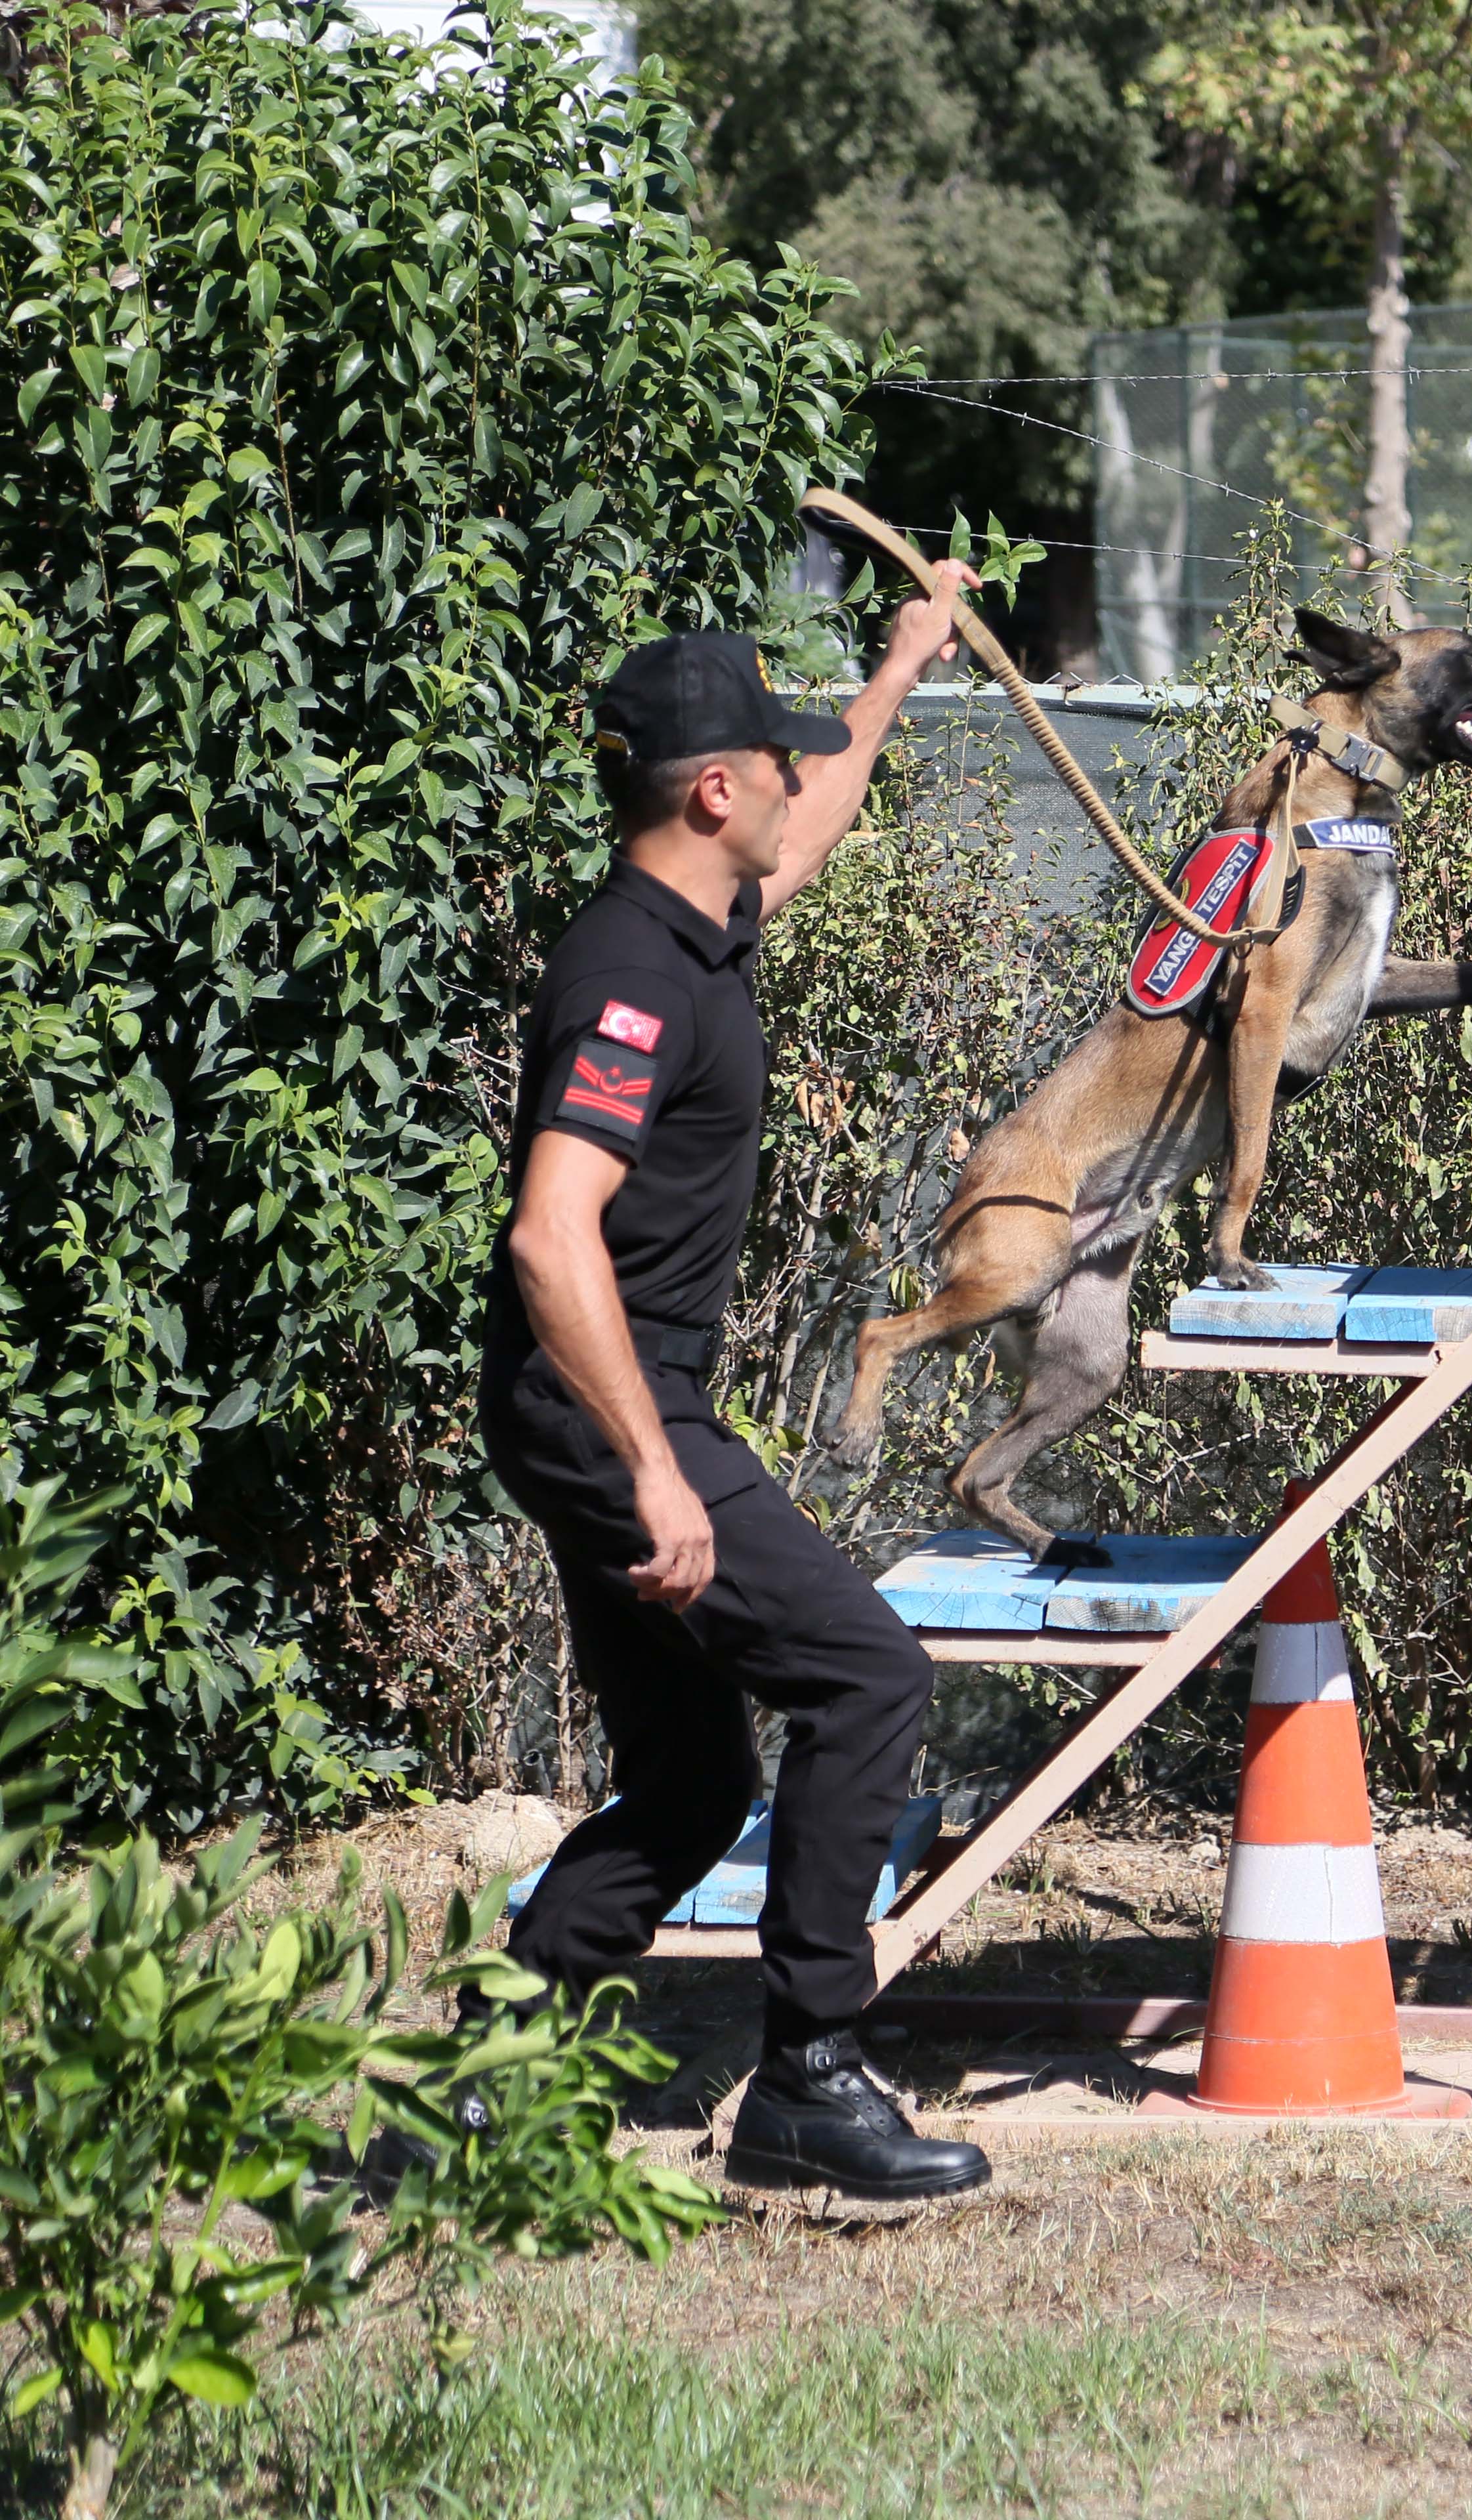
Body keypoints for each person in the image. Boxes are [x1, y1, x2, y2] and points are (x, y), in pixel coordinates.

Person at [482, 593, 986, 2203]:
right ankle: (811, 2077)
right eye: (779, 760)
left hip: (610, 1406)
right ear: (714, 792)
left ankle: (490, 2076)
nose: (796, 782)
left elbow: (810, 835)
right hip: (609, 1407)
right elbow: (552, 1234)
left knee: (700, 1778)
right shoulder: (633, 981)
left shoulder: (696, 916)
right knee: (868, 1679)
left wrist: (903, 668)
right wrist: (658, 1468)